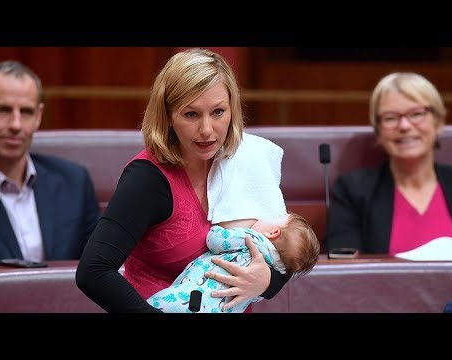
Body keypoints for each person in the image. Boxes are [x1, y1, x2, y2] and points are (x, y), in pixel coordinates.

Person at [76, 48, 295, 313]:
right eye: (191, 114)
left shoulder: (247, 158)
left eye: (218, 112)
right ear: (168, 116)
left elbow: (282, 248)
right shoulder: (147, 179)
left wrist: (268, 281)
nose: (206, 130)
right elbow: (93, 271)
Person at [0, 60, 100, 263]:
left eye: (26, 112)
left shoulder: (74, 183)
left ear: (38, 116)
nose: (15, 124)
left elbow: (98, 268)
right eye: (3, 110)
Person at [325, 72, 452, 255]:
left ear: (439, 122)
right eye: (391, 118)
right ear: (378, 131)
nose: (404, 126)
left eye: (416, 114)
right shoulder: (352, 191)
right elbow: (344, 269)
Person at [147, 212, 319, 313]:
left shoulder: (251, 240)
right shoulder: (270, 271)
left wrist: (217, 226)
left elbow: (215, 240)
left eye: (274, 216)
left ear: (273, 232)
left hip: (186, 301)